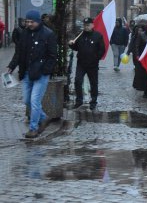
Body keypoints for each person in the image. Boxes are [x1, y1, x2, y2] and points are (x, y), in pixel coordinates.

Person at [6, 10, 57, 138]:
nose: (29, 24)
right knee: (27, 100)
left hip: (41, 74)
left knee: (35, 101)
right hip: (27, 72)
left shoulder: (48, 34)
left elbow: (52, 56)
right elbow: (19, 53)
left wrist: (46, 70)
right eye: (27, 21)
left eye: (31, 22)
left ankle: (33, 128)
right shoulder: (24, 34)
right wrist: (12, 66)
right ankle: (44, 118)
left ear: (38, 21)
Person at [68, 17, 105, 110]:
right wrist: (71, 44)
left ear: (92, 25)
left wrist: (96, 58)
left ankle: (93, 101)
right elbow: (76, 47)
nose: (86, 27)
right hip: (81, 63)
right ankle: (79, 100)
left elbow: (102, 49)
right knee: (78, 81)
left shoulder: (98, 36)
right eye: (84, 25)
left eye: (88, 25)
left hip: (92, 64)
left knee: (93, 83)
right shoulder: (80, 35)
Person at [133, 23, 147, 98]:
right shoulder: (141, 35)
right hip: (143, 58)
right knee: (145, 75)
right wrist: (137, 55)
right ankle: (145, 91)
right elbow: (136, 45)